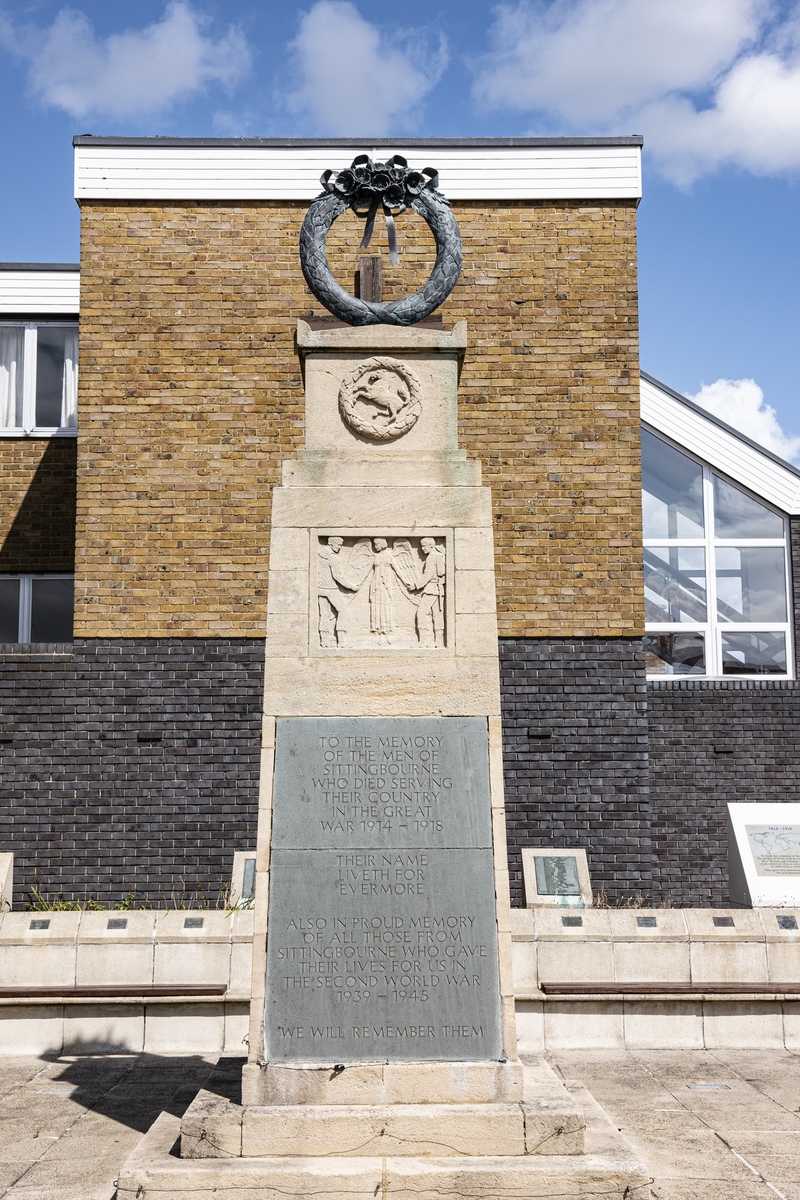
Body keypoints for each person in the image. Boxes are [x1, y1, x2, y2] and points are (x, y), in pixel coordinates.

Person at [317, 536, 354, 647]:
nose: (340, 547)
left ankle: (324, 641)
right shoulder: (332, 556)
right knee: (343, 611)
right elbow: (337, 575)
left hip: (320, 589)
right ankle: (341, 641)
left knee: (324, 614)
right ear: (331, 543)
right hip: (331, 589)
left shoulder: (318, 554)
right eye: (338, 544)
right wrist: (351, 586)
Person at [415, 537, 446, 647]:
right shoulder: (439, 555)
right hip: (439, 589)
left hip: (431, 589)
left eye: (424, 546)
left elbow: (428, 574)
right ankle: (439, 642)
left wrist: (416, 586)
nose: (422, 549)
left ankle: (422, 641)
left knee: (421, 613)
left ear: (430, 545)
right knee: (437, 615)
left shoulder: (431, 557)